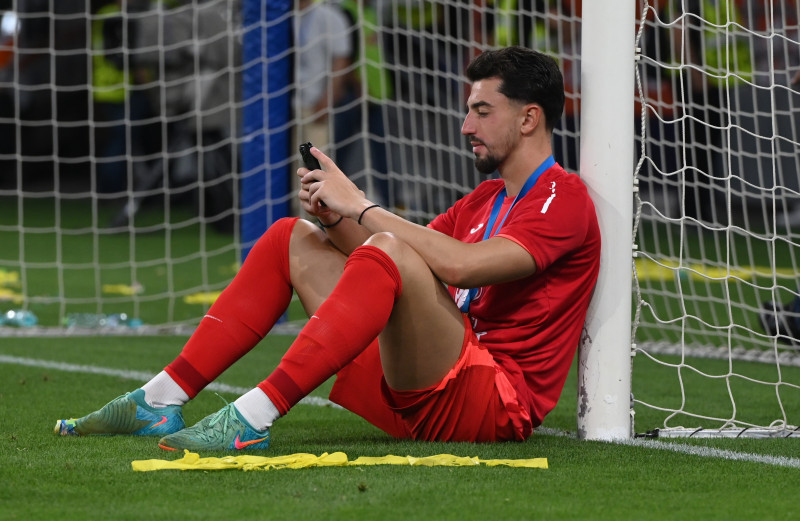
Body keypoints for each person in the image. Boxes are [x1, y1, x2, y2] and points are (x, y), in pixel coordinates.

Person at [54, 46, 601, 449]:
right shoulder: (483, 199)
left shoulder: (565, 198)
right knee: (289, 237)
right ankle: (161, 399)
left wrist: (361, 204)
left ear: (530, 117)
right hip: (424, 383)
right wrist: (338, 218)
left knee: (389, 243)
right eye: (469, 110)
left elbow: (457, 267)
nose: (465, 126)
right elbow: (403, 268)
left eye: (483, 111)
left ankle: (253, 417)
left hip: (490, 403)